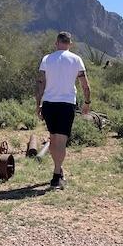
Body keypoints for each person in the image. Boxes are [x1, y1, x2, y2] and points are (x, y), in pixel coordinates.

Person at [36, 31, 91, 190]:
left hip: (49, 103)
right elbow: (85, 85)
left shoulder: (46, 59)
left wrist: (38, 104)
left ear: (56, 43)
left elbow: (40, 83)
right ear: (70, 44)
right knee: (60, 141)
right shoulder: (76, 59)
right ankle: (56, 177)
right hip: (66, 104)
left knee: (53, 139)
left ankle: (59, 171)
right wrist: (87, 102)